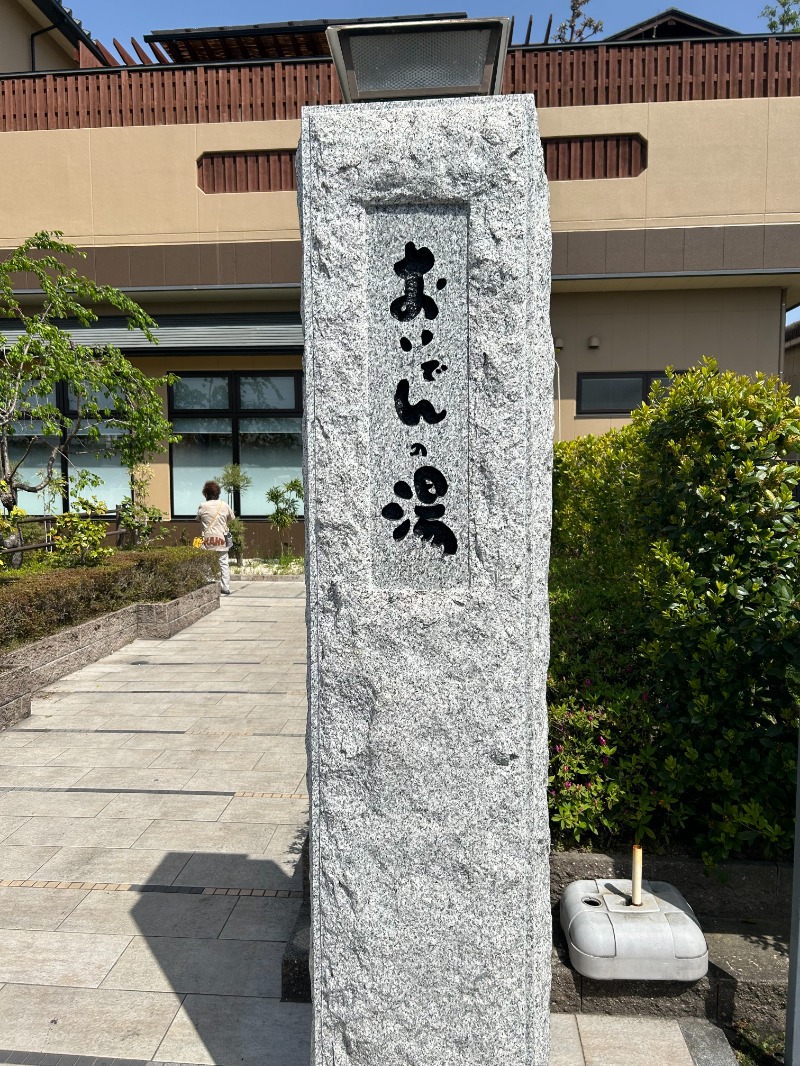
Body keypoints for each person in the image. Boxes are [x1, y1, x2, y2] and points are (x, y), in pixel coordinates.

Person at [197, 480, 235, 595]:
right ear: (218, 493)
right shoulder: (224, 505)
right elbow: (231, 518)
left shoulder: (203, 506)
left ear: (206, 494)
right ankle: (225, 587)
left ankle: (209, 584)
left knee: (207, 562)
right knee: (223, 563)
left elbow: (198, 518)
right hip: (222, 538)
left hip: (208, 539)